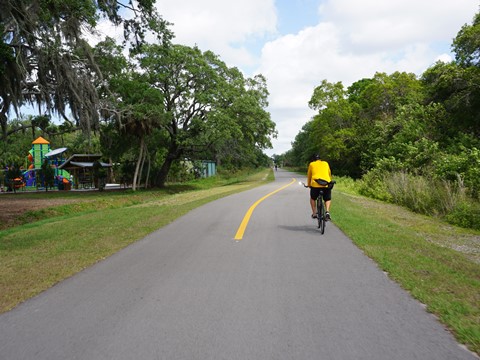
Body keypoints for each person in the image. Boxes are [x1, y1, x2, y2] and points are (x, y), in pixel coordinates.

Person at [307, 154, 332, 220]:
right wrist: (329, 181)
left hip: (315, 185)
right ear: (320, 159)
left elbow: (309, 176)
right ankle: (327, 212)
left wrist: (309, 185)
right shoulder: (326, 163)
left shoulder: (312, 164)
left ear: (313, 160)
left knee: (312, 198)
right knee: (327, 199)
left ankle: (314, 213)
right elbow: (329, 174)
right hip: (326, 184)